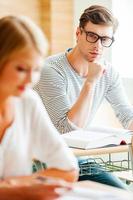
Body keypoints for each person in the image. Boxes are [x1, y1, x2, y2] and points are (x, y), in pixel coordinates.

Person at [34, 5, 133, 189]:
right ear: (78, 33)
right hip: (41, 161)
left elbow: (127, 116)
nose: (98, 45)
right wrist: (90, 82)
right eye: (92, 36)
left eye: (105, 39)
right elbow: (66, 130)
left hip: (77, 159)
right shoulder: (51, 70)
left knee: (121, 192)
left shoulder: (109, 73)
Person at [0, 15, 79, 198]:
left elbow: (67, 169)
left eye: (36, 70)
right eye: (21, 69)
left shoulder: (28, 101)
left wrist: (12, 186)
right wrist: (20, 189)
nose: (30, 80)